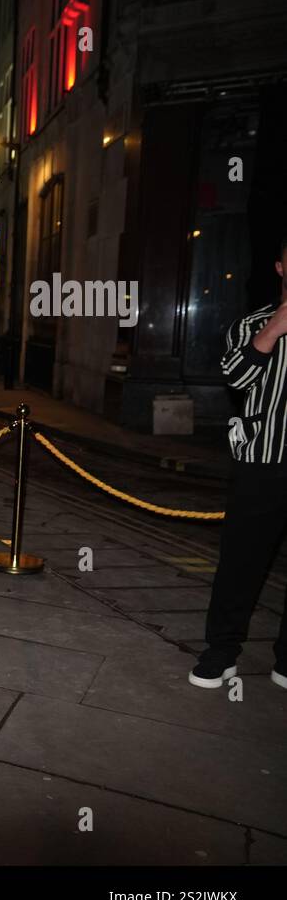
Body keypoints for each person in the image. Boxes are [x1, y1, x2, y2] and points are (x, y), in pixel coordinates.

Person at [191, 235, 287, 691]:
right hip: (262, 462)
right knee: (242, 564)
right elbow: (236, 377)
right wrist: (275, 329)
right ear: (280, 268)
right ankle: (222, 652)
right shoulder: (251, 324)